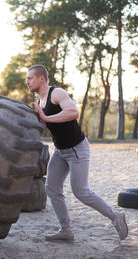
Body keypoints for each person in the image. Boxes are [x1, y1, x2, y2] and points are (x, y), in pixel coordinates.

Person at [26, 64, 128, 242]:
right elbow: (49, 125)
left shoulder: (56, 93)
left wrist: (46, 118)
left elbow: (73, 112)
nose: (27, 81)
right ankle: (66, 230)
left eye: (30, 78)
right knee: (51, 188)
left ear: (41, 78)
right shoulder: (41, 102)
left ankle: (116, 217)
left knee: (81, 191)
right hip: (60, 151)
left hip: (76, 149)